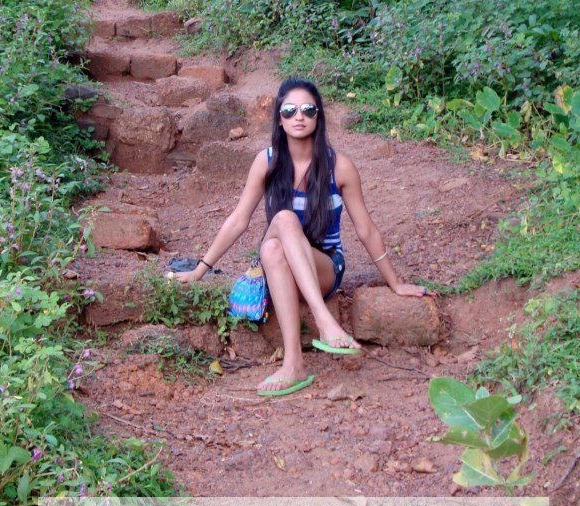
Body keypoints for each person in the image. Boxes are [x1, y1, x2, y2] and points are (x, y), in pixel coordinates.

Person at [169, 77, 426, 396]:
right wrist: (199, 269)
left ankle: (318, 326)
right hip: (279, 267)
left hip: (324, 268)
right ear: (279, 118)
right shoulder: (267, 161)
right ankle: (297, 360)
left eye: (308, 109)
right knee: (278, 236)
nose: (298, 116)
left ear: (318, 116)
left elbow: (366, 229)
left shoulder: (339, 167)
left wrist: (396, 283)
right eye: (289, 110)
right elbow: (239, 220)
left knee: (283, 224)